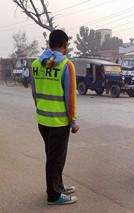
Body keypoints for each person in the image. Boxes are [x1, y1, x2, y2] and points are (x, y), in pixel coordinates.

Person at [31, 29, 80, 205]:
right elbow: (70, 97)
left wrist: (41, 109)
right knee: (55, 158)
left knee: (53, 156)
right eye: (67, 46)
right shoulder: (65, 65)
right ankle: (53, 195)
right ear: (64, 45)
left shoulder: (37, 63)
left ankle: (58, 185)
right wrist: (73, 121)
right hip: (59, 122)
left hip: (42, 120)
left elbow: (35, 93)